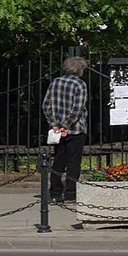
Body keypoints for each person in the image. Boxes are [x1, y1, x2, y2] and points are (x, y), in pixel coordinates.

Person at [43, 55, 90, 204]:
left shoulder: (55, 82)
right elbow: (77, 108)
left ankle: (55, 192)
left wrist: (54, 124)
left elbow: (46, 105)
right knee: (73, 162)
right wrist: (66, 125)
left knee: (58, 161)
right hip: (75, 129)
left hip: (57, 130)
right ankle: (70, 194)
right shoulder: (80, 84)